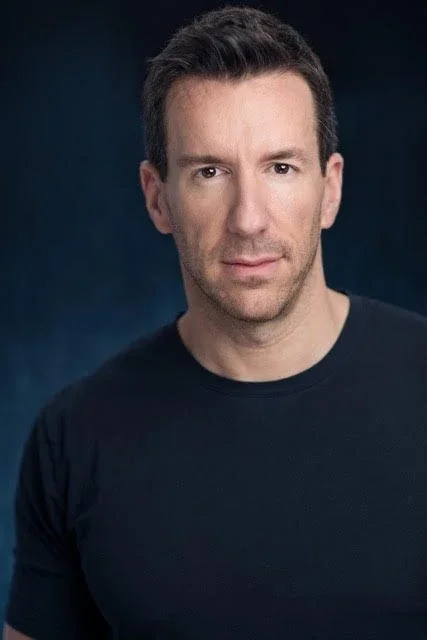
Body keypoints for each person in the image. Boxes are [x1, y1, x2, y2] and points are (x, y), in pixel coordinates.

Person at [4, 4, 427, 639]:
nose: (248, 218)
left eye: (280, 167)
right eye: (209, 172)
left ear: (330, 188)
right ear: (158, 198)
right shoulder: (75, 439)